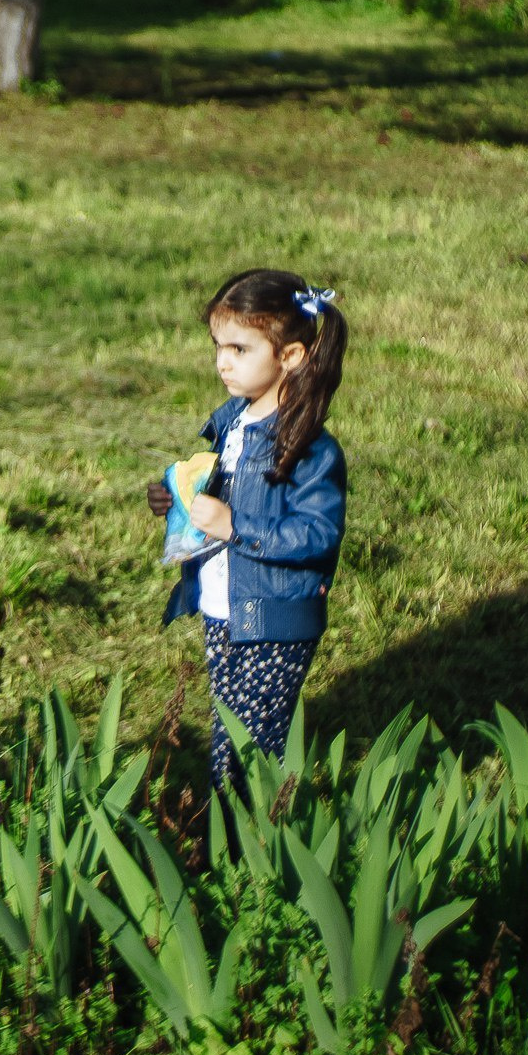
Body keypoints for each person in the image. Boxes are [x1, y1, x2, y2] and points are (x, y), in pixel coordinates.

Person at [146, 269, 347, 804]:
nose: (221, 361)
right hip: (223, 608)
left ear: (292, 357)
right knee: (227, 732)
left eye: (239, 347)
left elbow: (318, 533)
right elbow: (215, 485)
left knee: (252, 747)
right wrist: (175, 498)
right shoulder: (233, 422)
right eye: (217, 345)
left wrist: (233, 525)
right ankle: (230, 847)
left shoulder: (309, 447)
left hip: (274, 617)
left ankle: (256, 851)